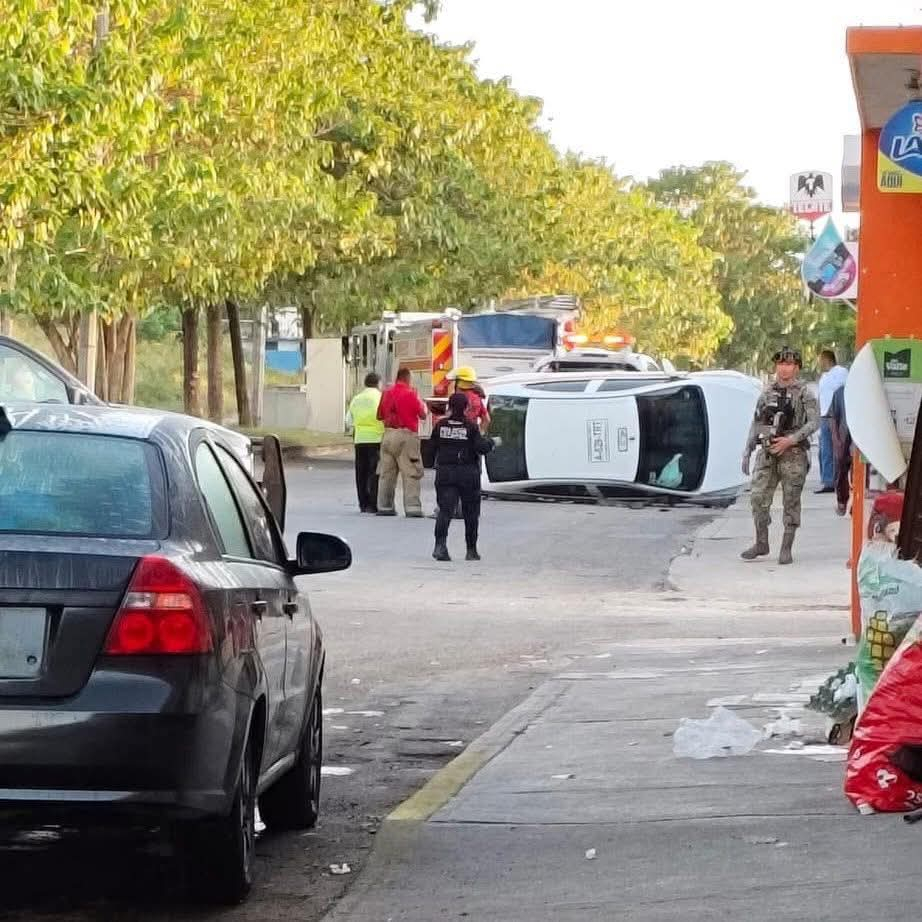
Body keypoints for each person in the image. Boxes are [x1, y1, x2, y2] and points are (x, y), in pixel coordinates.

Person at [741, 346, 819, 565]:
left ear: (797, 367)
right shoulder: (766, 392)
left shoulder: (804, 393)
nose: (784, 369)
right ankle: (761, 542)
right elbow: (756, 422)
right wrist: (748, 450)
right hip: (768, 451)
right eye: (781, 364)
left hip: (793, 452)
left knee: (791, 500)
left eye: (789, 364)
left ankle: (786, 547)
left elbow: (814, 422)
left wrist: (791, 440)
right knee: (757, 497)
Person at [430, 391, 497, 562]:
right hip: (468, 474)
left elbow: (431, 448)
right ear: (466, 408)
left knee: (445, 511)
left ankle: (440, 546)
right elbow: (481, 447)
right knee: (471, 513)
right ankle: (471, 550)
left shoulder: (440, 426)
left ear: (449, 407)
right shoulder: (471, 427)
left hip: (445, 474)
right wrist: (492, 442)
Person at [376, 367, 427, 518]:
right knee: (411, 472)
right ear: (407, 378)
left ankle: (384, 506)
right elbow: (422, 414)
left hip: (388, 435)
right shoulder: (411, 394)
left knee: (386, 474)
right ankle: (412, 508)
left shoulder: (386, 393)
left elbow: (379, 415)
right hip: (406, 435)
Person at [345, 372, 384, 513]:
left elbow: (348, 421)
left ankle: (363, 504)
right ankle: (373, 504)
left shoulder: (357, 399)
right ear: (378, 383)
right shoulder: (380, 397)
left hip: (360, 440)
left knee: (361, 473)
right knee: (374, 473)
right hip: (376, 440)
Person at [816, 349, 848, 495]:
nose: (819, 363)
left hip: (836, 416)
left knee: (835, 450)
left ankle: (833, 481)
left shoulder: (841, 372)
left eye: (820, 360)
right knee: (824, 450)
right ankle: (827, 479)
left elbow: (844, 390)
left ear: (827, 359)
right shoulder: (823, 376)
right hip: (824, 416)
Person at [828, 382, 851, 517]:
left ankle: (855, 503)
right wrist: (836, 439)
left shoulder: (866, 390)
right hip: (843, 438)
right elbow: (832, 417)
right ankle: (842, 501)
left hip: (860, 439)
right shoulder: (840, 392)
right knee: (840, 471)